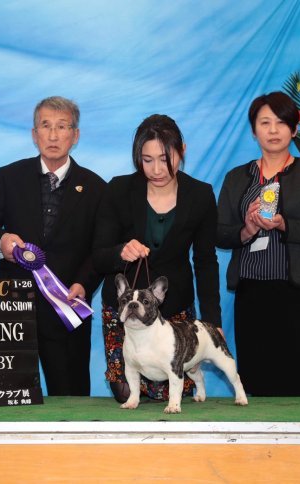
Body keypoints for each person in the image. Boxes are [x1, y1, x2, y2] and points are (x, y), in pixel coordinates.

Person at [0, 96, 106, 396]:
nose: (54, 135)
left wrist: (84, 284)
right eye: (46, 126)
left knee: (71, 399)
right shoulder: (10, 176)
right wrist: (2, 241)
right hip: (13, 305)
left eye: (62, 126)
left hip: (67, 307)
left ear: (75, 135)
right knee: (5, 395)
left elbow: (101, 248)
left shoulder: (96, 187)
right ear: (35, 134)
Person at [216, 91, 300, 397]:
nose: (273, 130)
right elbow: (218, 232)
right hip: (252, 293)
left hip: (299, 294)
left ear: (294, 130)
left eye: (281, 123)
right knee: (255, 380)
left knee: (299, 379)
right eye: (265, 122)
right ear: (254, 129)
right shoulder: (237, 177)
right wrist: (246, 229)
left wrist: (285, 224)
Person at [93, 114, 221, 403]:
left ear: (182, 149)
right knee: (127, 394)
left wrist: (213, 322)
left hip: (174, 314)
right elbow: (98, 255)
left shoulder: (201, 195)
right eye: (146, 159)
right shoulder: (118, 190)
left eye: (165, 158)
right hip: (124, 314)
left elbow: (205, 261)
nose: (156, 169)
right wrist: (120, 252)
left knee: (174, 396)